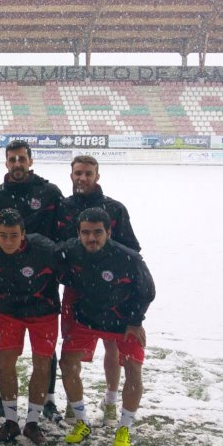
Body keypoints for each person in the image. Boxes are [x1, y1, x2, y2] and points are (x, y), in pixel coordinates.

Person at [58, 208, 155, 446]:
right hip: (86, 319)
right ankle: (82, 422)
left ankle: (124, 427)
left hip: (122, 321)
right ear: (78, 233)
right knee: (67, 364)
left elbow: (147, 291)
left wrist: (135, 321)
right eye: (86, 233)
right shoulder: (70, 251)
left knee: (133, 368)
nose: (91, 238)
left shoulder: (128, 258)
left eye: (98, 232)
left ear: (109, 232)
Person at [55, 155, 142, 424]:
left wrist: (105, 271)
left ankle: (111, 399)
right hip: (77, 289)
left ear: (97, 176)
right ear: (71, 175)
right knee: (72, 347)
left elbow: (132, 250)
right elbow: (56, 246)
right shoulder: (63, 207)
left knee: (112, 344)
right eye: (78, 173)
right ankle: (73, 403)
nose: (82, 178)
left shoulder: (114, 209)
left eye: (88, 173)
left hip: (110, 289)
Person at [0, 139, 63, 419]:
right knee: (5, 349)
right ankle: (3, 400)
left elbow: (63, 231)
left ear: (30, 161)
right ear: (6, 162)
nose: (17, 164)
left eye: (22, 159)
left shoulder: (49, 193)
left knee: (44, 349)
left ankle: (48, 399)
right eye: (12, 159)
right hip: (7, 282)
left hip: (42, 280)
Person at [0, 209, 60, 445]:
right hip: (8, 311)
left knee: (42, 364)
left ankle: (32, 423)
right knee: (5, 362)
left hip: (43, 312)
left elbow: (71, 269)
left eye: (13, 235)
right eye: (3, 235)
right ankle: (11, 422)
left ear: (23, 234)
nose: (8, 241)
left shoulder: (45, 248)